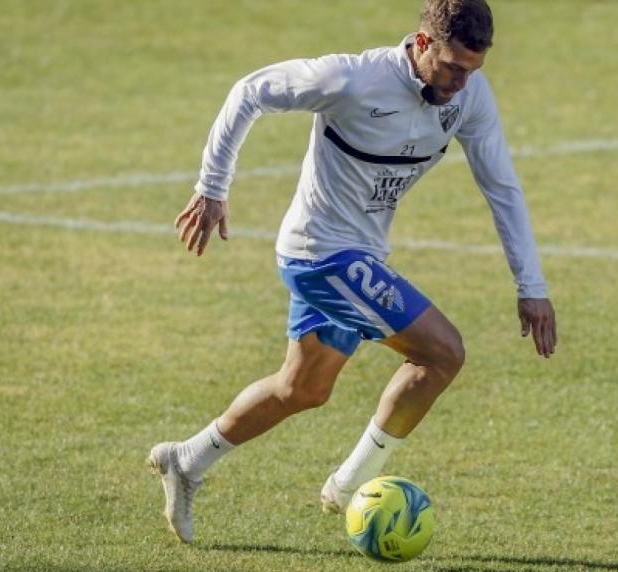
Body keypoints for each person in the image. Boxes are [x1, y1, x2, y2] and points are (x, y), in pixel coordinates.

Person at [147, 0, 557, 543]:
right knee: (442, 353)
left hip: (359, 256)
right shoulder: (352, 79)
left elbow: (501, 186)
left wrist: (532, 286)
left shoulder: (469, 97)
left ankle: (186, 459)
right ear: (421, 44)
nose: (461, 83)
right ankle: (348, 488)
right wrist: (212, 187)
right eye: (453, 67)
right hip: (322, 254)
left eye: (473, 70)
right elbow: (250, 91)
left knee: (303, 389)